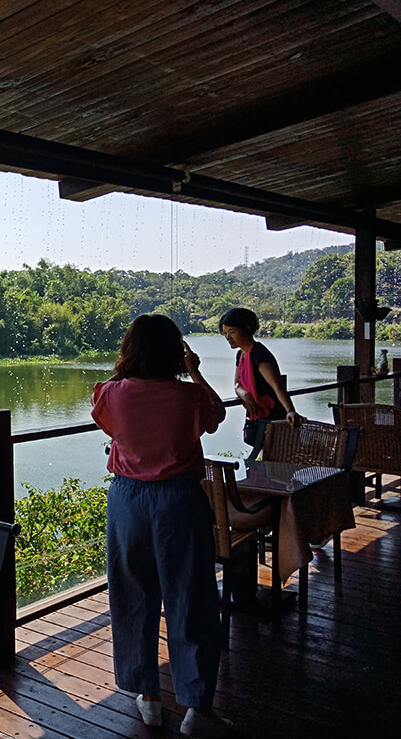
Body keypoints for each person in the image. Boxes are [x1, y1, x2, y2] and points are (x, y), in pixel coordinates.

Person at [91, 314, 233, 738]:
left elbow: (112, 427)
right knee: (192, 597)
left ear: (130, 349)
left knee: (133, 594)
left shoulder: (111, 393)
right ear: (176, 350)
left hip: (128, 500)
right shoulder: (189, 397)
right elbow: (217, 415)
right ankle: (197, 707)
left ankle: (148, 698)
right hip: (179, 499)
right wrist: (194, 372)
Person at [218, 307, 303, 447]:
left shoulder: (258, 353)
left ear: (247, 329)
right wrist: (244, 393)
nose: (228, 337)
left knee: (274, 461)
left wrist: (290, 411)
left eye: (232, 332)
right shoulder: (241, 355)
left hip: (273, 419)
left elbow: (277, 386)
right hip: (257, 418)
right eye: (225, 333)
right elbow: (237, 383)